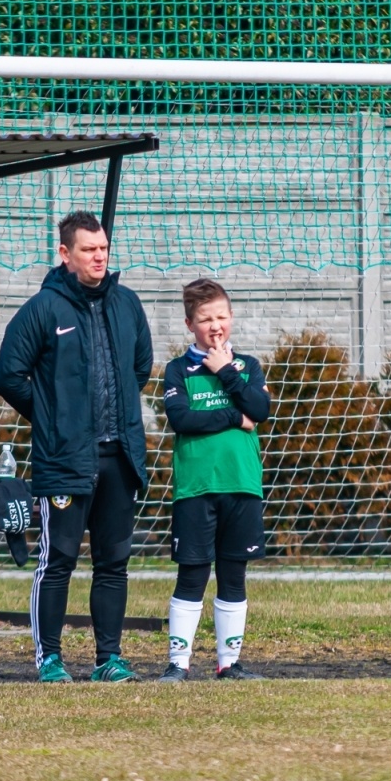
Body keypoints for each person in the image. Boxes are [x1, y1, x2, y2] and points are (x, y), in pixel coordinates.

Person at [0, 210, 153, 683]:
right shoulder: (43, 308)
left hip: (119, 457)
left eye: (103, 248)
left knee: (114, 563)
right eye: (88, 250)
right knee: (58, 559)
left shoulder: (127, 303)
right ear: (65, 254)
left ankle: (109, 659)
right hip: (65, 459)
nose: (99, 257)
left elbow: (140, 368)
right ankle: (49, 659)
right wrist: (53, 418)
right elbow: (8, 375)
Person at [157, 279, 271, 683]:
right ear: (190, 324)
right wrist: (233, 417)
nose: (215, 326)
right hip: (196, 488)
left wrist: (225, 371)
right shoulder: (178, 370)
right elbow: (182, 419)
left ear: (231, 317)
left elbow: (260, 409)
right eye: (205, 319)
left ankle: (229, 663)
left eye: (221, 316)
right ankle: (178, 663)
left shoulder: (248, 367)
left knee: (233, 574)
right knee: (192, 574)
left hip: (242, 486)